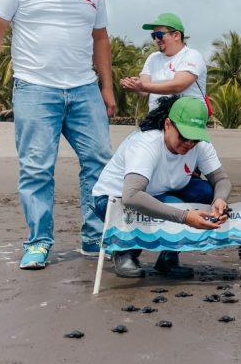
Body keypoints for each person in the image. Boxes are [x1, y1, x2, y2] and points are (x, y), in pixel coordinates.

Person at [0, 0, 115, 269]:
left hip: (84, 88)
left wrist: (106, 87)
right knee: (37, 168)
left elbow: (100, 38)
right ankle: (38, 242)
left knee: (99, 162)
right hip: (35, 88)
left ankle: (94, 238)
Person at [92, 96, 232, 279]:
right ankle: (125, 250)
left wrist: (219, 199)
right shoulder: (146, 143)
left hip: (158, 190)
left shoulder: (200, 145)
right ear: (167, 125)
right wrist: (184, 217)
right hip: (113, 199)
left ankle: (168, 257)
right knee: (175, 205)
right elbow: (131, 195)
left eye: (195, 140)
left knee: (207, 192)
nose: (189, 144)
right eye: (183, 137)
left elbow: (221, 179)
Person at [120, 13, 209, 112]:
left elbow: (178, 86)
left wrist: (143, 86)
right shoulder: (152, 58)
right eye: (154, 36)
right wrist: (134, 85)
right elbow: (144, 90)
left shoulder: (192, 55)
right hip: (156, 119)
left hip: (186, 120)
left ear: (176, 35)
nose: (157, 39)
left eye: (159, 35)